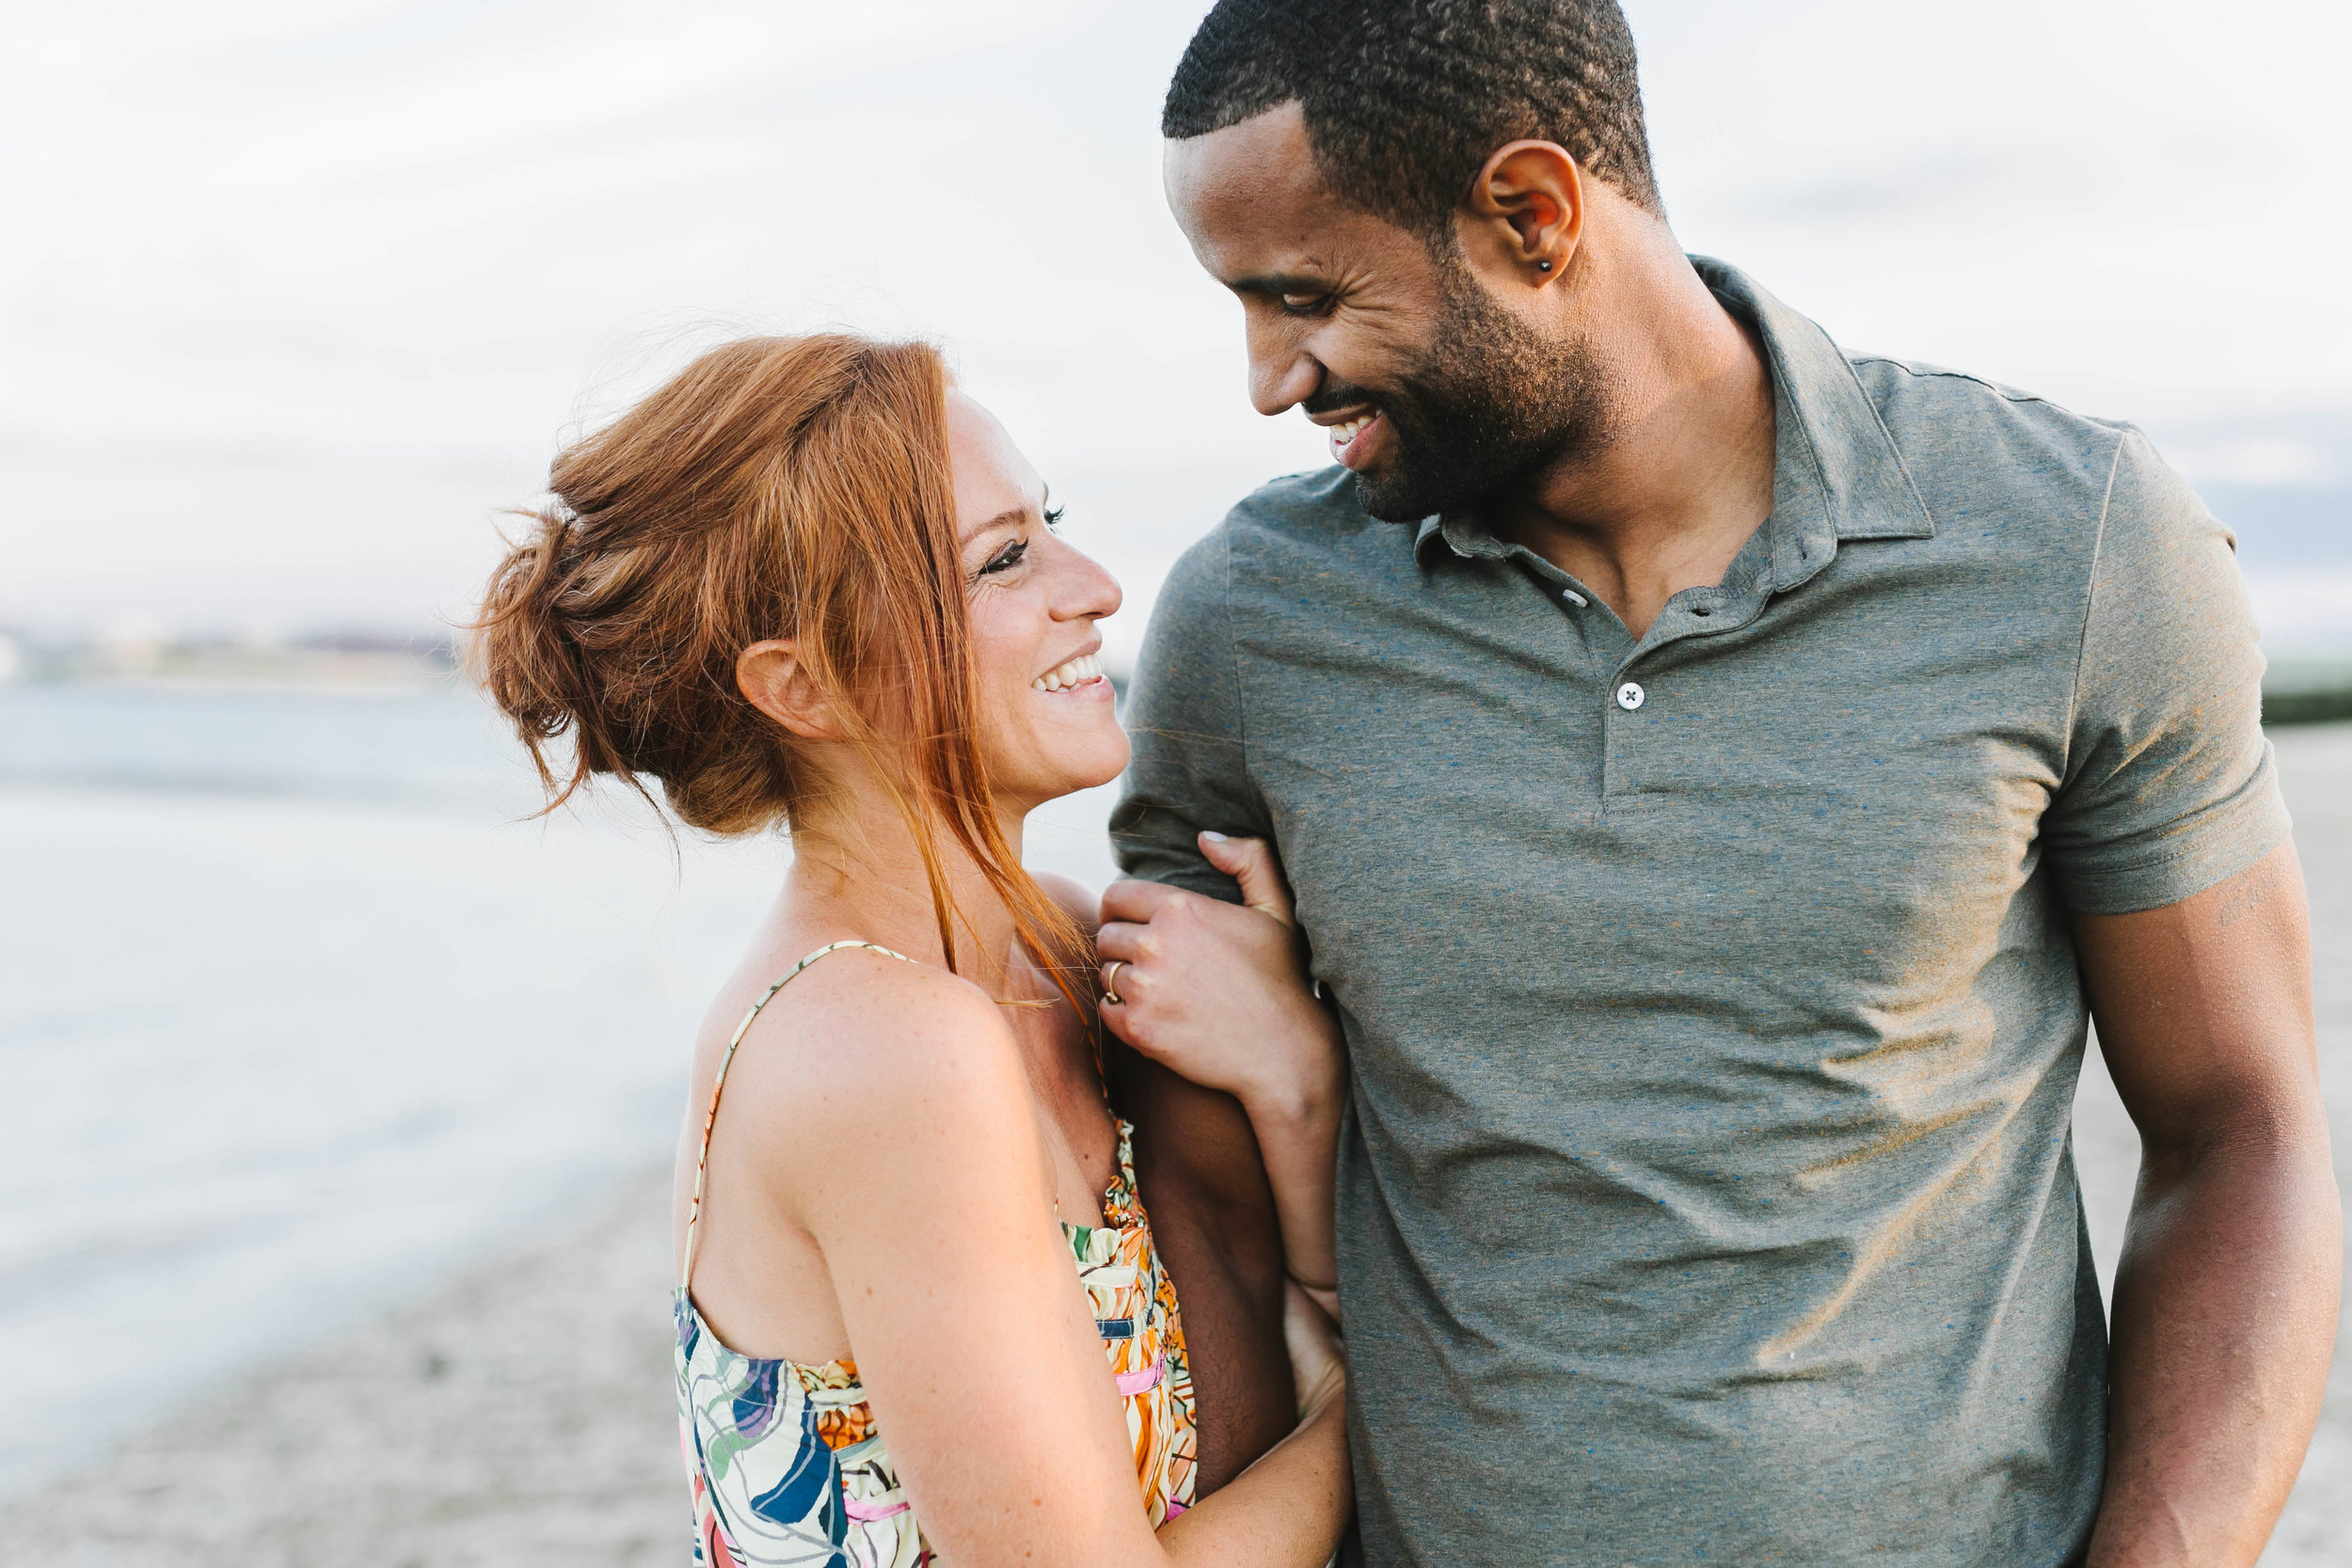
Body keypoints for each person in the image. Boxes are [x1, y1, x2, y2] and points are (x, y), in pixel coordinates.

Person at [1104, 4, 2344, 1566]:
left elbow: (2241, 1128)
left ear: (1533, 216)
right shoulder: (1250, 626)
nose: (1273, 379)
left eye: (1303, 296)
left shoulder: (2074, 547)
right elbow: (1197, 1200)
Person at [470, 333, 1352, 1567]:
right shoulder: (882, 1050)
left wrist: (1293, 1077)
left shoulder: (1072, 947)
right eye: (1004, 560)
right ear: (808, 687)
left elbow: (1286, 1326)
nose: (1095, 586)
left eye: (1050, 523)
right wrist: (1373, 1423)